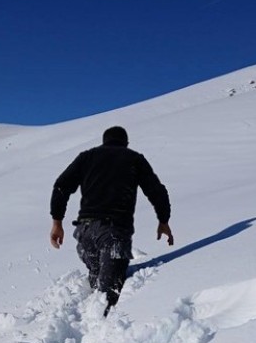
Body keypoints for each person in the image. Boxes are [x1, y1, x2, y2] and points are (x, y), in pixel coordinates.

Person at [49, 126, 173, 315]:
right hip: (113, 233)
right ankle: (99, 330)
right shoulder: (134, 159)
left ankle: (89, 320)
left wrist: (57, 223)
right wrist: (163, 221)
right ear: (126, 143)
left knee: (98, 278)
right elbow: (156, 191)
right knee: (108, 298)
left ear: (104, 141)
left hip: (85, 234)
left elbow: (61, 187)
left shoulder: (87, 157)